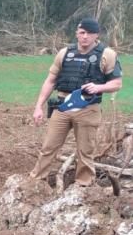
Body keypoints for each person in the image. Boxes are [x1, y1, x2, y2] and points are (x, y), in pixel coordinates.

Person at [28, 17, 122, 186]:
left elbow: (117, 83)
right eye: (82, 32)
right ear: (77, 34)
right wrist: (38, 106)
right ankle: (35, 182)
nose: (85, 36)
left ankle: (83, 186)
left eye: (89, 33)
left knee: (85, 151)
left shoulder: (107, 54)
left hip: (88, 107)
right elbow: (50, 80)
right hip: (62, 106)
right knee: (48, 147)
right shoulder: (65, 53)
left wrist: (99, 87)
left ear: (96, 35)